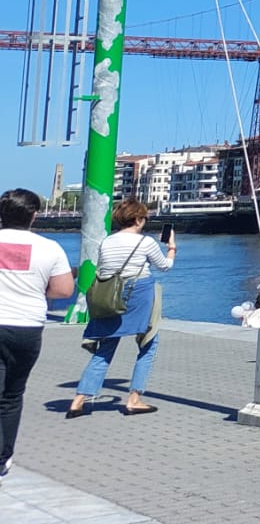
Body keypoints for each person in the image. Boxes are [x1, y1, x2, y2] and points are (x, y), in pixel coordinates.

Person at [68, 198, 172, 417]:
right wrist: (171, 248)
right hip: (140, 293)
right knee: (149, 342)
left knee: (107, 345)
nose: (144, 221)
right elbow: (164, 266)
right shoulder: (146, 242)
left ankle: (79, 399)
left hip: (111, 296)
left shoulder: (106, 242)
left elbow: (105, 269)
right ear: (137, 219)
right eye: (144, 218)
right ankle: (134, 398)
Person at [0, 189, 73, 479]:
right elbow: (64, 290)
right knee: (12, 395)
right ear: (34, 215)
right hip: (26, 327)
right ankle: (3, 458)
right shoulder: (50, 248)